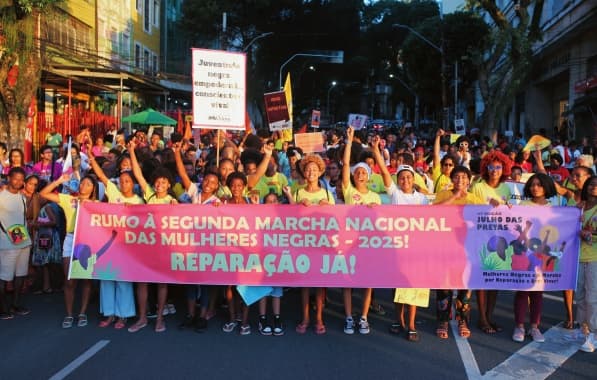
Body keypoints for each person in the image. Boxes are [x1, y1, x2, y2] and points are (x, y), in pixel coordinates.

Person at [372, 136, 429, 342]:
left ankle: (412, 323)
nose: (405, 180)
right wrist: (376, 151)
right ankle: (398, 319)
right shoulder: (394, 194)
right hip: (397, 248)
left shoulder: (422, 199)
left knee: (413, 286)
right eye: (401, 178)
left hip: (416, 249)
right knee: (398, 287)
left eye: (408, 177)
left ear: (414, 179)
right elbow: (384, 171)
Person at [127, 139, 177, 333]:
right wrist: (132, 151)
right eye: (157, 181)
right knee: (142, 282)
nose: (160, 184)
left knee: (161, 283)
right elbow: (138, 175)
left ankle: (159, 319)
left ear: (168, 184)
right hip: (146, 246)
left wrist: (176, 210)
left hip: (163, 247)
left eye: (164, 182)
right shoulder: (148, 196)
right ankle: (142, 318)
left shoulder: (172, 200)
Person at [88, 147, 140, 330]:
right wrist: (91, 158)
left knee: (123, 281)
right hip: (108, 245)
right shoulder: (114, 193)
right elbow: (101, 176)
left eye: (128, 181)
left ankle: (123, 315)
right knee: (107, 279)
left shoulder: (139, 202)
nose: (124, 184)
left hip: (127, 247)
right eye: (122, 181)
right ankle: (109, 313)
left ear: (133, 184)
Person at [40, 172, 99, 328]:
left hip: (88, 241)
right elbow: (43, 193)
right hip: (70, 239)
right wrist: (58, 180)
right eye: (82, 183)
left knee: (86, 280)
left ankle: (82, 312)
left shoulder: (97, 204)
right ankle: (69, 314)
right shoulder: (69, 199)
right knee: (69, 280)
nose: (84, 186)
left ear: (93, 188)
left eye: (88, 184)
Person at [433, 166, 484, 339]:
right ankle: (443, 320)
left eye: (464, 177)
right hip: (444, 246)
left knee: (465, 285)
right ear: (451, 179)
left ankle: (463, 319)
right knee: (444, 286)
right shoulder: (442, 194)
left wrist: (504, 206)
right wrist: (454, 197)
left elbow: (487, 218)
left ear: (469, 181)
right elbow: (433, 213)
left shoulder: (475, 199)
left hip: (468, 248)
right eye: (457, 177)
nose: (460, 180)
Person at [341, 127, 380, 335]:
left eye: (364, 172)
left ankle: (363, 317)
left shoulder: (375, 197)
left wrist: (376, 212)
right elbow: (346, 164)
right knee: (347, 282)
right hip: (348, 244)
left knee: (367, 282)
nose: (360, 175)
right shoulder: (349, 191)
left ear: (369, 176)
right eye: (358, 172)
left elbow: (380, 224)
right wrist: (348, 141)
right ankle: (349, 317)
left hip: (367, 245)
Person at [511, 173, 557, 343]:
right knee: (523, 291)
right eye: (532, 184)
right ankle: (519, 326)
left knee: (538, 291)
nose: (535, 187)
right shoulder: (523, 204)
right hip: (525, 253)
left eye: (539, 184)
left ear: (546, 186)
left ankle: (535, 327)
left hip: (542, 254)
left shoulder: (555, 206)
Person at [471, 150, 512, 335]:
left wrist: (509, 208)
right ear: (485, 168)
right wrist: (488, 207)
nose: (494, 170)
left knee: (495, 279)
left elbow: (510, 215)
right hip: (481, 237)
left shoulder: (506, 189)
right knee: (482, 279)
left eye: (498, 167)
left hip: (500, 237)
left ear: (503, 169)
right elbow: (471, 211)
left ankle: (490, 315)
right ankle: (482, 318)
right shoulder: (478, 187)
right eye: (491, 167)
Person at [294, 154, 334, 335]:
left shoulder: (326, 193)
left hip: (322, 243)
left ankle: (318, 318)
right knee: (304, 283)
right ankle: (305, 317)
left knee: (319, 282)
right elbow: (287, 218)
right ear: (304, 172)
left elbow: (335, 219)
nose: (311, 172)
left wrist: (328, 207)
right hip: (303, 242)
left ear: (320, 172)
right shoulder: (298, 192)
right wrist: (298, 204)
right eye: (308, 169)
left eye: (315, 170)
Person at [0, 168, 32, 319]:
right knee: (4, 276)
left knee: (20, 275)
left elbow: (24, 219)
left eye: (21, 179)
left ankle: (15, 304)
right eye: (16, 178)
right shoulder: (1, 196)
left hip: (23, 241)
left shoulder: (22, 197)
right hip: (7, 243)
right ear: (9, 178)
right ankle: (2, 308)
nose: (18, 182)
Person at [577, 175, 597, 352]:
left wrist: (587, 234)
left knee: (592, 298)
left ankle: (593, 334)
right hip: (577, 258)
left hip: (595, 258)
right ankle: (583, 329)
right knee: (581, 297)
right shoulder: (579, 207)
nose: (594, 187)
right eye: (591, 184)